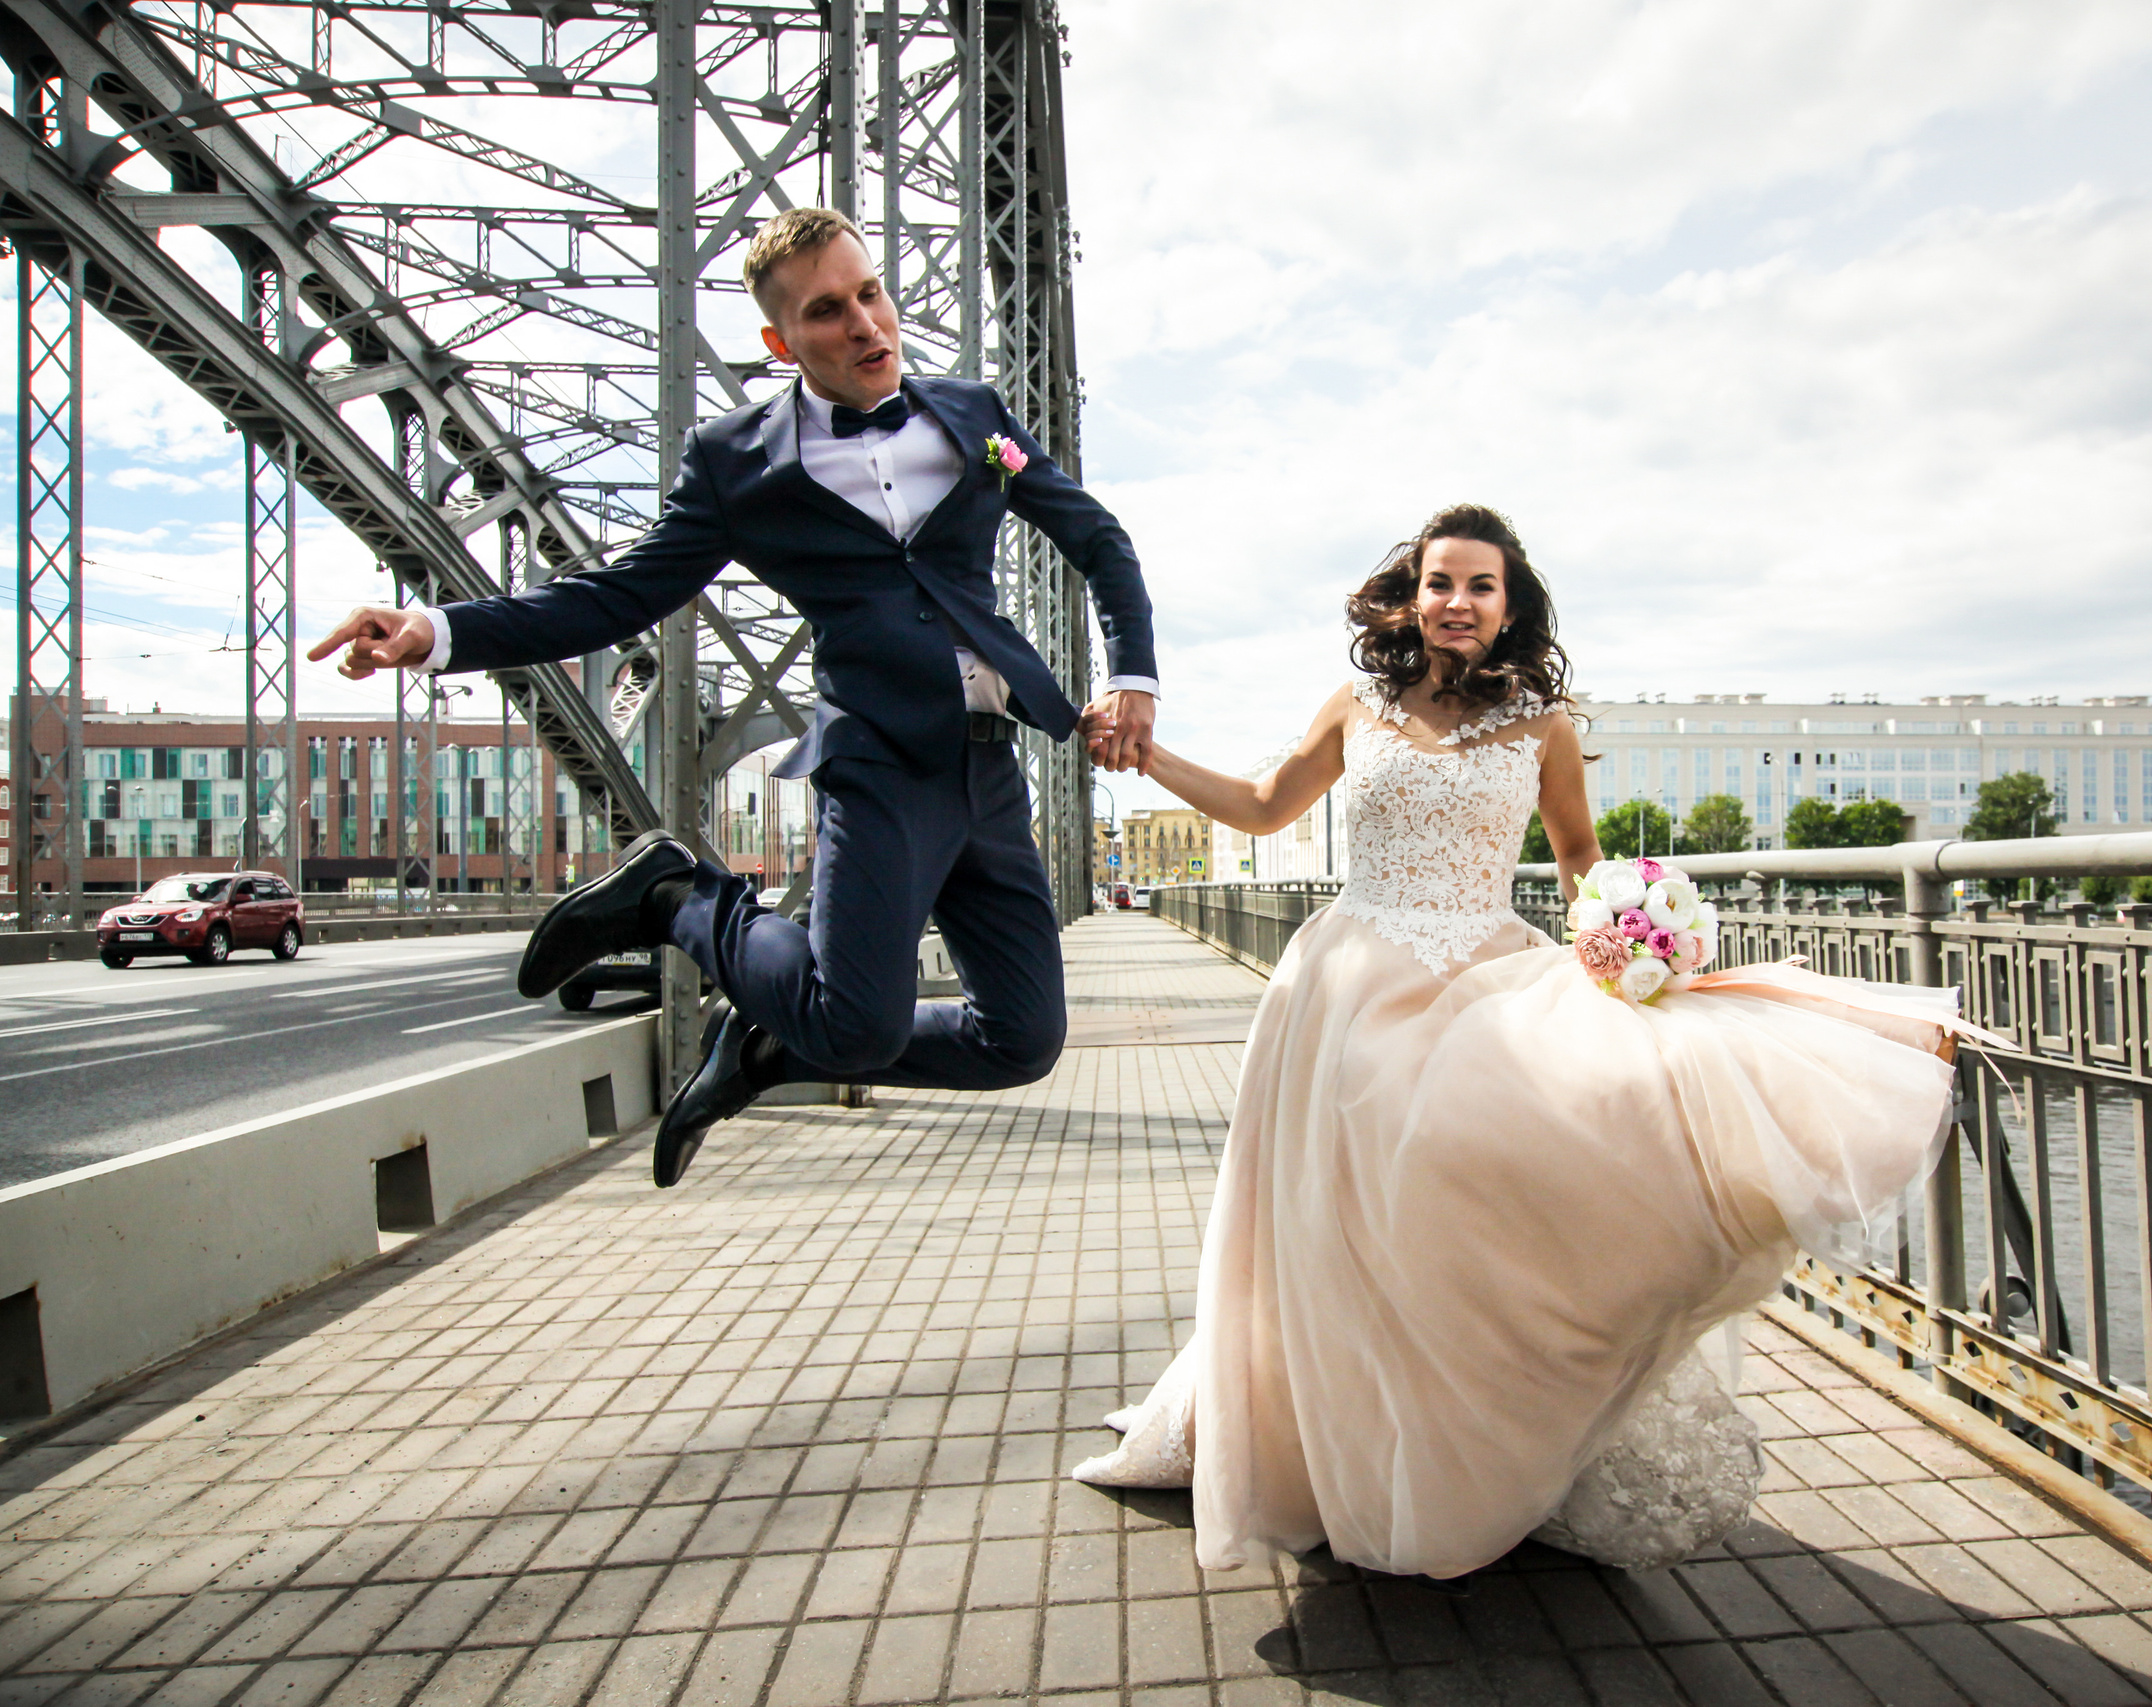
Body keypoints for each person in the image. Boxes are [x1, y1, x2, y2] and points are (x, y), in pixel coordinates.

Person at [1071, 503, 1997, 1584]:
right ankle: (1319, 1441)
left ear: (1510, 609)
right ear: (1407, 599)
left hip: (1486, 983)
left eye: (1479, 587)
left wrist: (1633, 954)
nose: (1455, 603)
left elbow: (1577, 861)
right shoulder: (1356, 704)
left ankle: (1461, 1434)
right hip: (1344, 989)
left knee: (1485, 1194)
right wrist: (1151, 758)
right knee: (1336, 1226)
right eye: (1438, 583)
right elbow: (1266, 806)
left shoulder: (1544, 723)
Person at [309, 206, 1159, 1187]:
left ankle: (767, 1049)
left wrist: (1130, 677)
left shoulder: (974, 419)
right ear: (779, 340)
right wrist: (438, 632)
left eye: (871, 294)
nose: (867, 326)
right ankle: (677, 895)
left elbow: (1095, 540)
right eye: (830, 311)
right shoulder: (737, 465)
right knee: (859, 1019)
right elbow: (619, 597)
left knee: (1022, 1040)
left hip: (987, 767)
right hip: (879, 761)